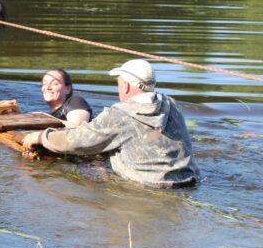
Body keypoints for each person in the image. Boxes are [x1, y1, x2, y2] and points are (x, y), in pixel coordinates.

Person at [22, 59, 198, 188]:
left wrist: (41, 137)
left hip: (145, 189)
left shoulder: (119, 114)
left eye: (119, 83)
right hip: (188, 182)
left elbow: (77, 140)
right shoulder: (171, 105)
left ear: (126, 86)